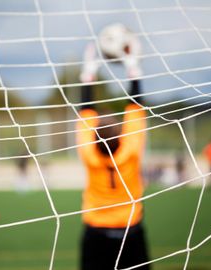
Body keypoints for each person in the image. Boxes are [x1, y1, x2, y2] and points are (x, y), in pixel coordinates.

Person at [77, 24, 150, 270]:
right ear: (122, 134)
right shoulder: (130, 151)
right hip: (130, 230)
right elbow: (135, 108)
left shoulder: (89, 155)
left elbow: (86, 113)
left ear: (94, 137)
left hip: (96, 231)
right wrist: (133, 66)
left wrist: (88, 73)